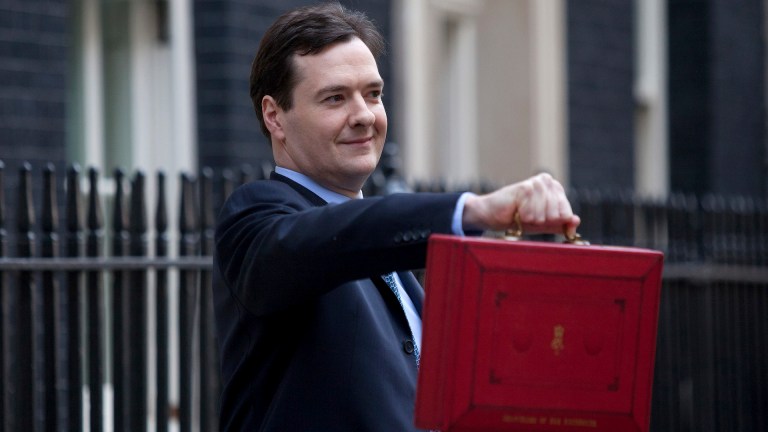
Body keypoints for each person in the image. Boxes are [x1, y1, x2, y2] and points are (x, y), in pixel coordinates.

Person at [212, 2, 580, 431]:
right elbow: (331, 239)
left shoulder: (389, 259)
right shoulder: (255, 217)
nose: (365, 115)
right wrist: (473, 210)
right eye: (335, 98)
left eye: (373, 94)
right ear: (275, 116)